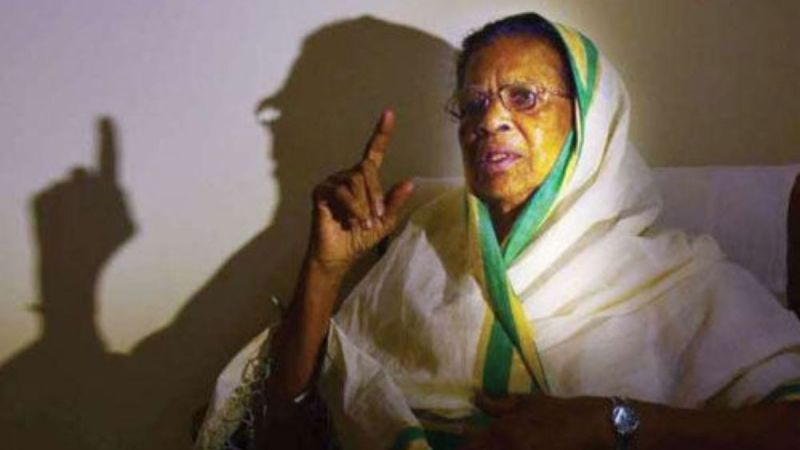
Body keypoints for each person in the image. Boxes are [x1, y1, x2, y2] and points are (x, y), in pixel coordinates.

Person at [196, 13, 800, 450]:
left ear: (589, 121)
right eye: (473, 104)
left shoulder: (681, 283)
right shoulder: (422, 250)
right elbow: (284, 432)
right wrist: (324, 272)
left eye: (524, 97)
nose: (490, 121)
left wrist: (614, 424)